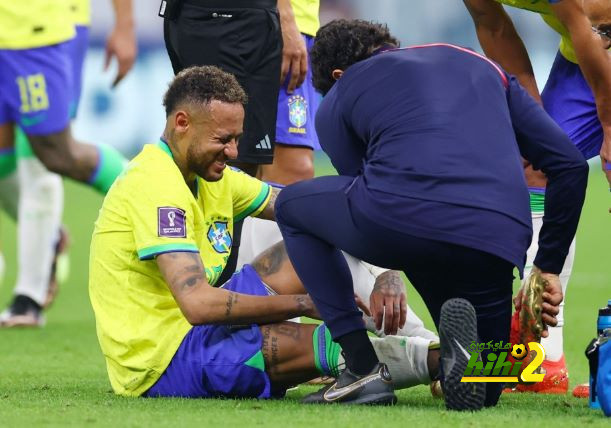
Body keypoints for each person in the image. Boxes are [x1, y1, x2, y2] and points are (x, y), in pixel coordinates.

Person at [274, 20, 588, 409]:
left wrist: (386, 273)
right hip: (497, 238)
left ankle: (360, 367)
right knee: (486, 384)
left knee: (291, 206)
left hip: (403, 227)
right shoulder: (482, 66)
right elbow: (570, 166)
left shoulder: (345, 89)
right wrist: (546, 267)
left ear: (337, 75)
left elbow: (361, 188)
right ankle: (465, 363)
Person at [89, 65, 439, 399]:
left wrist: (386, 270)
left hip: (199, 329)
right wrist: (309, 304)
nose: (233, 152)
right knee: (338, 343)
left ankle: (427, 345)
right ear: (182, 123)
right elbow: (196, 305)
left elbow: (319, 211)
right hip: (164, 360)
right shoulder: (155, 185)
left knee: (313, 228)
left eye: (237, 139)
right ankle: (452, 364)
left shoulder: (213, 177)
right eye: (223, 139)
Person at [463, 0, 611, 394]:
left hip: (601, 39)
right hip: (585, 54)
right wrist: (534, 121)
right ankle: (542, 357)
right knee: (538, 166)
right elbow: (492, 25)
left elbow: (594, 20)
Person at [0, 0, 137, 327]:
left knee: (49, 156)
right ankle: (47, 236)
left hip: (41, 29)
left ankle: (29, 298)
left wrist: (124, 24)